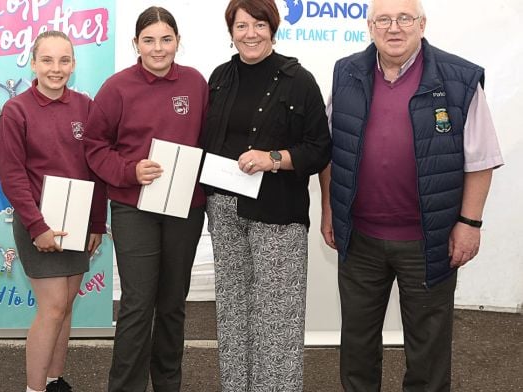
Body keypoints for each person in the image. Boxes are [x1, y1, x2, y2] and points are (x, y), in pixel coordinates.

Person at [318, 0, 503, 390]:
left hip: (428, 241)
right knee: (357, 347)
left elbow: (481, 159)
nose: (394, 28)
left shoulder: (459, 78)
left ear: (422, 24)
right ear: (369, 26)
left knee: (428, 352)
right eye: (383, 19)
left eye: (404, 18)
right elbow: (331, 149)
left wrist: (469, 224)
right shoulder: (345, 73)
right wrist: (330, 209)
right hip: (361, 240)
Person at [200, 0, 331, 390]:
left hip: (278, 211)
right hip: (224, 208)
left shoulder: (299, 80)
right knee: (233, 310)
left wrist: (273, 158)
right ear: (231, 32)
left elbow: (319, 149)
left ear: (273, 28)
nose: (250, 33)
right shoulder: (219, 78)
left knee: (276, 316)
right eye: (241, 26)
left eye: (259, 24)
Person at [84, 6, 208, 392]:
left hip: (185, 208)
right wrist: (129, 171)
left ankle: (168, 383)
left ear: (178, 41)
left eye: (166, 39)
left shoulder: (196, 83)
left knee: (173, 303)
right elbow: (93, 146)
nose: (158, 48)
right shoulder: (116, 88)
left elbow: (209, 141)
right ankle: (124, 386)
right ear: (135, 43)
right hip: (133, 206)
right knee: (138, 304)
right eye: (149, 40)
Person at [0, 31, 107, 392]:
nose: (56, 69)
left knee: (67, 304)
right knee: (53, 306)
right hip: (37, 223)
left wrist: (96, 223)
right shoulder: (16, 110)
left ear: (73, 65)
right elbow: (12, 177)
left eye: (64, 60)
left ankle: (55, 381)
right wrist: (37, 226)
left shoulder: (86, 108)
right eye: (47, 60)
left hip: (77, 222)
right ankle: (34, 388)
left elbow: (96, 167)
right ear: (33, 63)